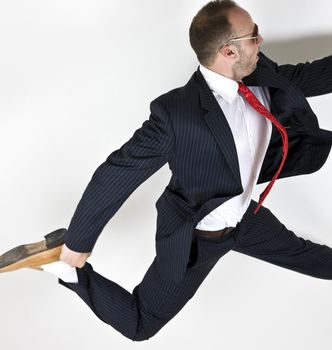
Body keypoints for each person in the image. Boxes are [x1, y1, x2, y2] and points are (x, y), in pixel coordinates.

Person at [1, 0, 332, 342]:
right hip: (198, 237)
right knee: (140, 325)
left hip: (246, 218)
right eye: (254, 36)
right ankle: (65, 267)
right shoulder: (177, 115)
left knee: (320, 262)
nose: (260, 41)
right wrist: (79, 241)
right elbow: (118, 172)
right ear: (228, 51)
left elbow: (308, 76)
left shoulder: (260, 73)